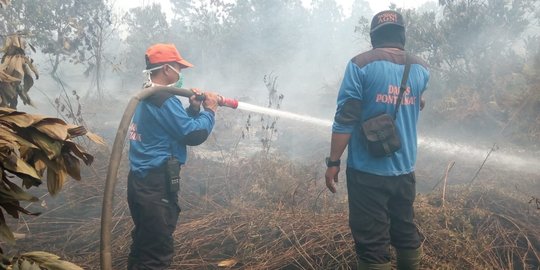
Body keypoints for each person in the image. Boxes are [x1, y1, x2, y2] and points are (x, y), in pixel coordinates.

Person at [324, 10, 429, 270]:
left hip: (366, 173)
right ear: (401, 35)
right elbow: (418, 101)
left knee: (371, 241)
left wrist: (333, 161)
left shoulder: (360, 65)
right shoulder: (420, 68)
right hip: (405, 171)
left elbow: (345, 118)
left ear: (374, 37)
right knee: (405, 229)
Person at [127, 43, 220, 269]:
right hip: (156, 186)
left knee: (143, 245)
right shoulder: (164, 99)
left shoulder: (149, 95)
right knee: (156, 253)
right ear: (167, 68)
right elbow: (193, 134)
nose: (181, 73)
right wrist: (210, 110)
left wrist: (194, 109)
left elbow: (172, 129)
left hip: (141, 183)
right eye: (179, 68)